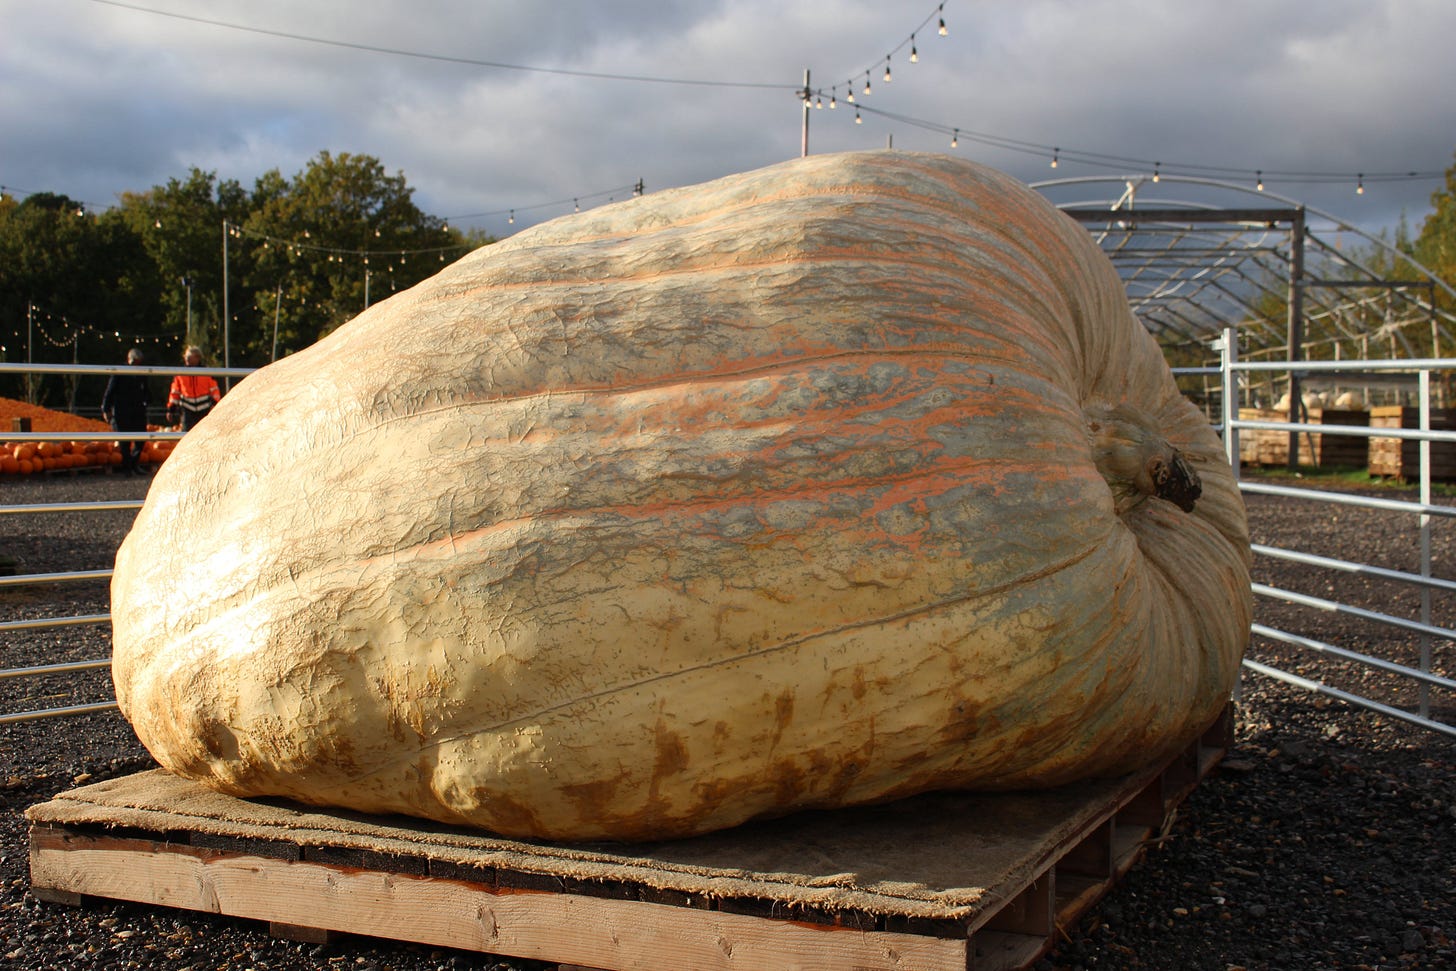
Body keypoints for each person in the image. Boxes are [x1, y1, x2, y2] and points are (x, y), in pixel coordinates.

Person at [101, 348, 151, 475]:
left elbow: (146, 389)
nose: (136, 364)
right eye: (135, 361)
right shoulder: (119, 371)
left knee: (141, 438)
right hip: (122, 410)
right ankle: (128, 467)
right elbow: (110, 390)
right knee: (125, 441)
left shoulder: (141, 373)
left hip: (138, 409)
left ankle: (134, 463)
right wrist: (106, 408)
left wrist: (147, 400)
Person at [166, 345, 222, 431]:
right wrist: (171, 409)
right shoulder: (180, 374)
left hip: (204, 409)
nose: (187, 359)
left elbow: (215, 391)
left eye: (189, 357)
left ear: (198, 357)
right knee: (186, 435)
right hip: (187, 409)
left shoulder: (207, 373)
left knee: (205, 434)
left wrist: (216, 405)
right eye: (186, 357)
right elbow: (175, 393)